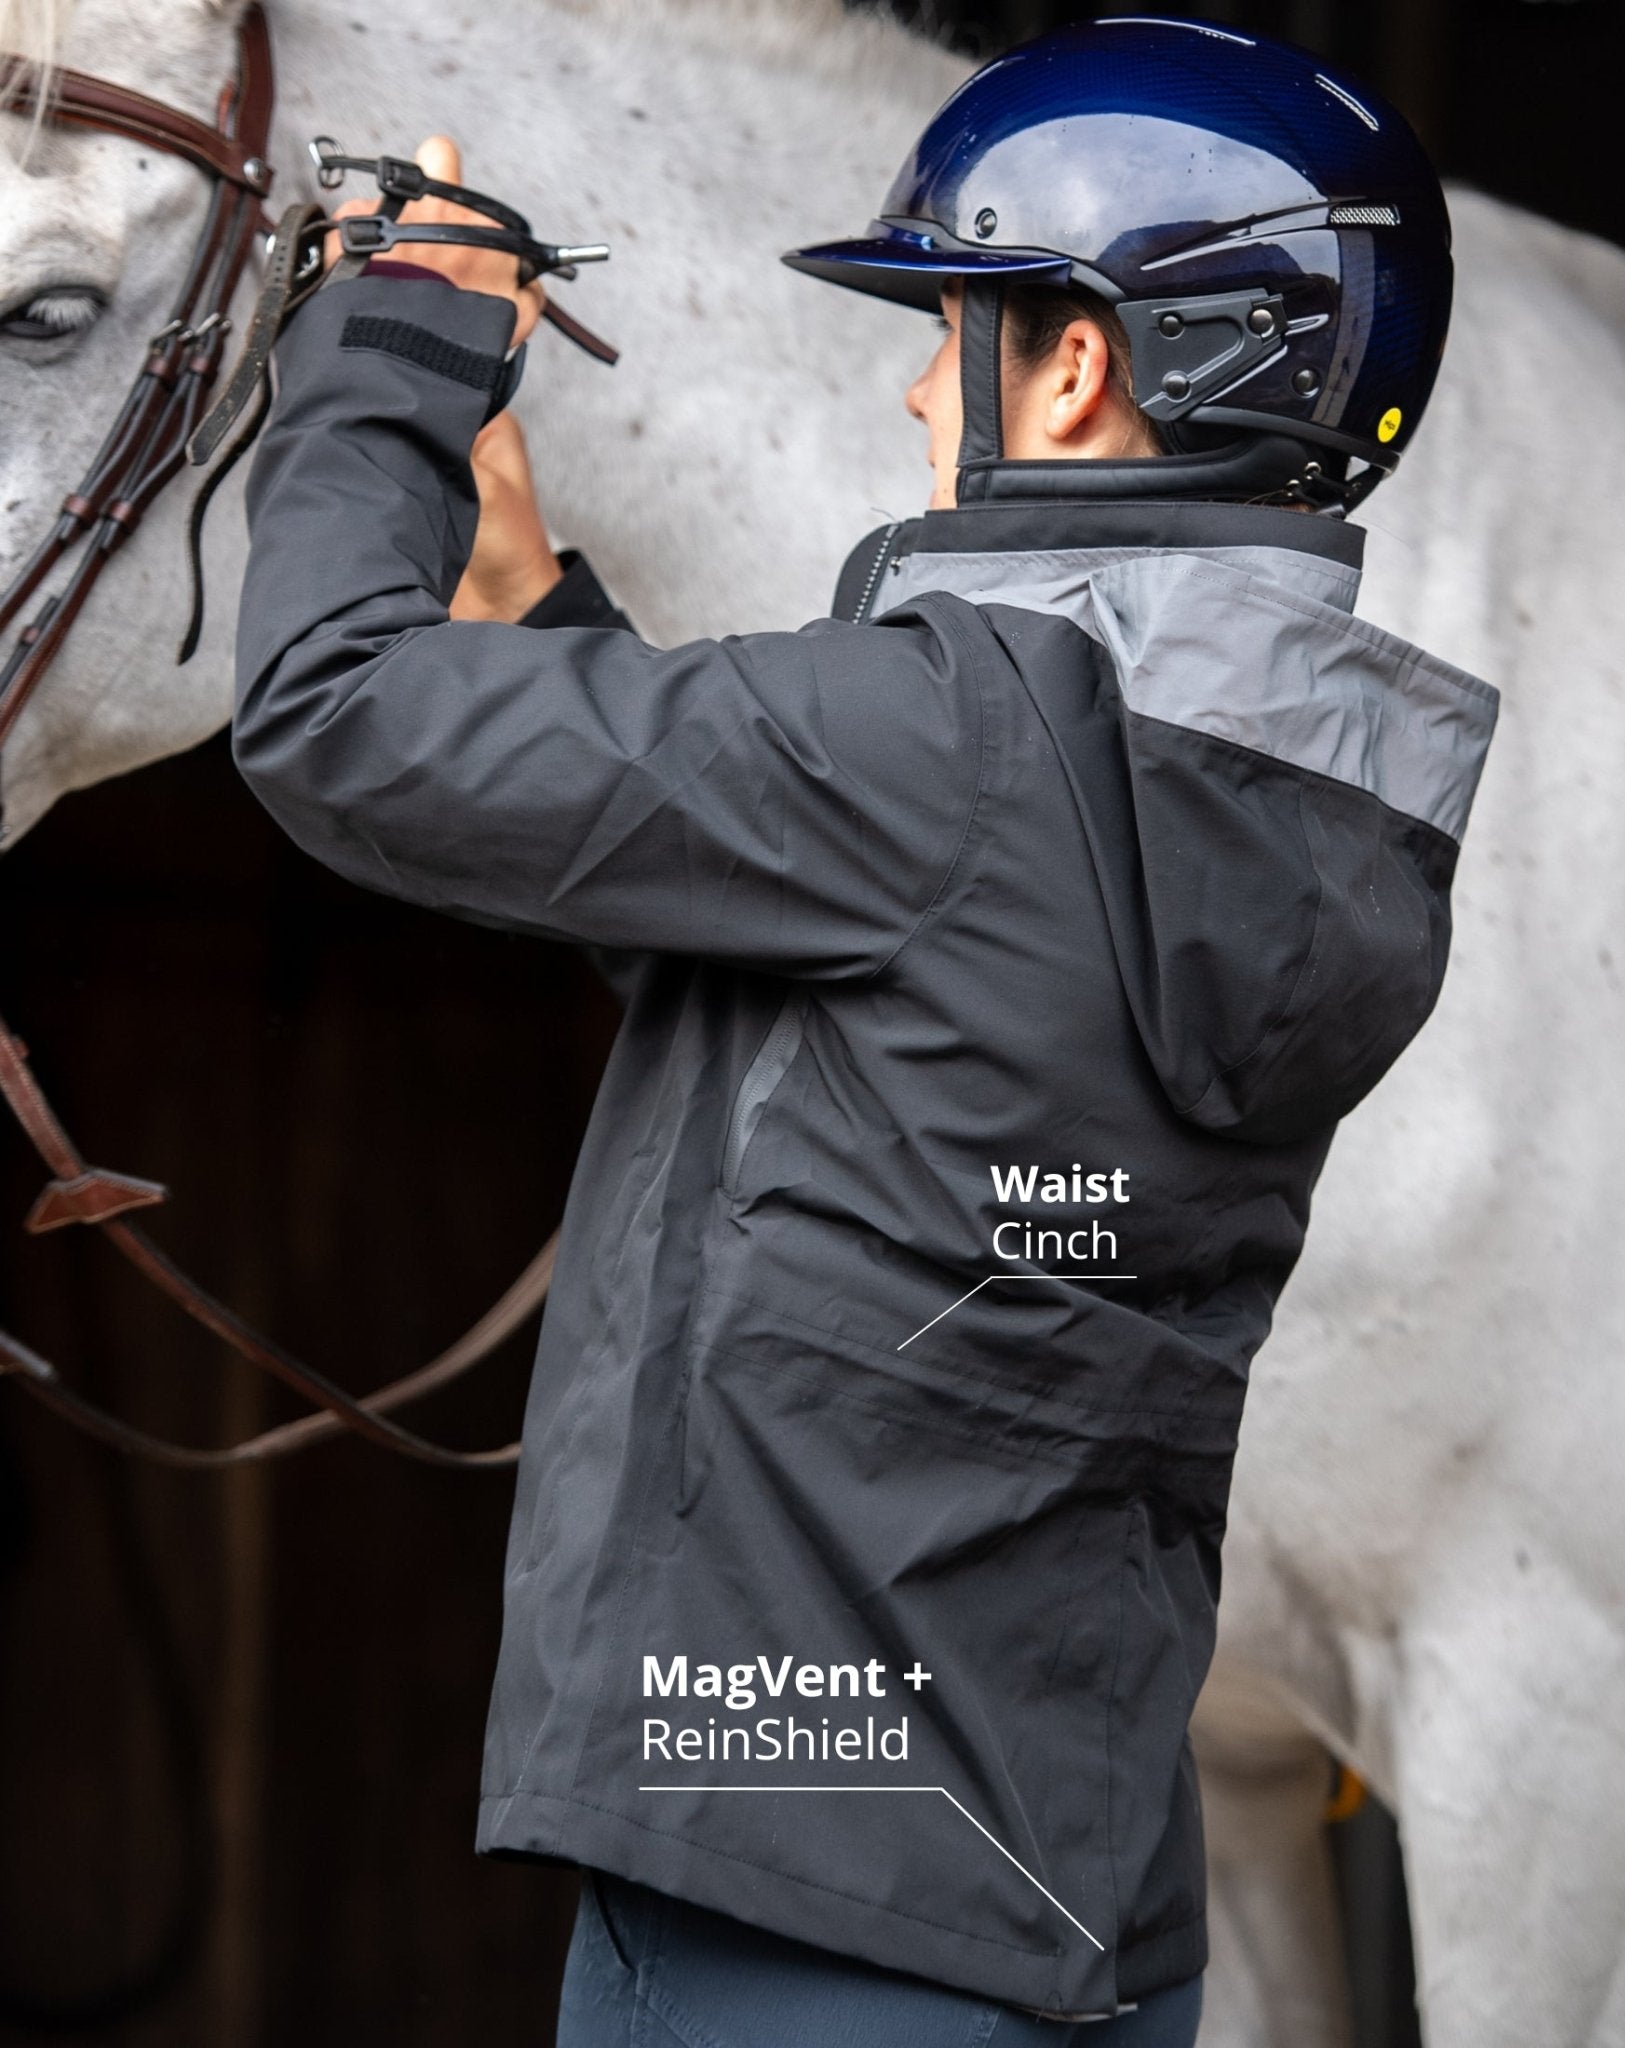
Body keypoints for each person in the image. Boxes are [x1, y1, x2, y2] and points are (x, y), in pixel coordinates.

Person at [230, 17, 1498, 2044]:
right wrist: (543, 620)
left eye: (955, 330)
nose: (921, 386)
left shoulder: (944, 738)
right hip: (1061, 1906)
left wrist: (395, 340)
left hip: (790, 1914)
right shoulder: (1290, 798)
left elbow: (333, 721)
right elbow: (882, 1059)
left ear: (1076, 367)